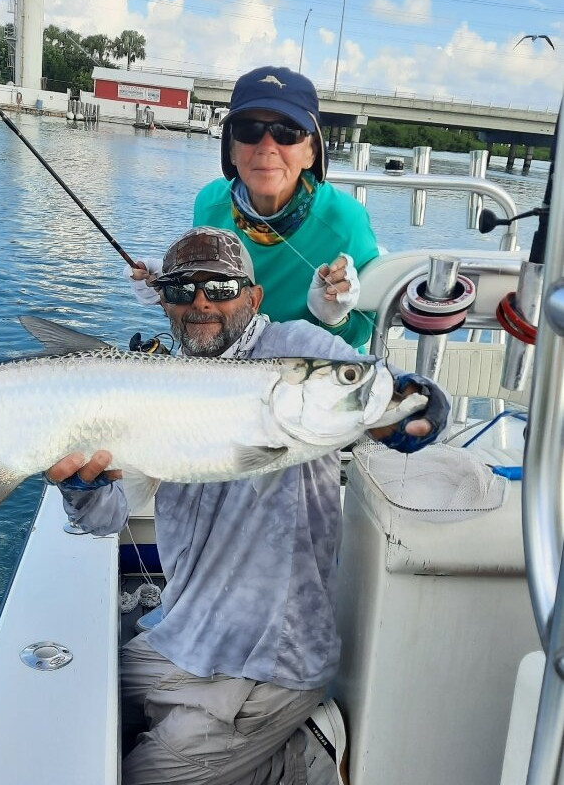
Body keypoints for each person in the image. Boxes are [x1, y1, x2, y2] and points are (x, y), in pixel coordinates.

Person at [47, 227, 450, 785]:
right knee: (65, 710)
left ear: (253, 297)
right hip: (180, 635)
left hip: (269, 663)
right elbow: (109, 518)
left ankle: (297, 759)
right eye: (182, 289)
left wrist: (420, 404)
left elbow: (383, 393)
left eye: (220, 286)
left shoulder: (298, 353)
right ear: (162, 299)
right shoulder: (158, 383)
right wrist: (83, 488)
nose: (201, 302)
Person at [126, 66, 380, 349]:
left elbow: (364, 331)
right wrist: (167, 284)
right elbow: (206, 299)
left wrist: (333, 319)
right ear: (231, 149)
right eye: (250, 130)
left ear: (312, 151)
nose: (267, 146)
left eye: (288, 132)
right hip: (229, 360)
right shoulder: (209, 204)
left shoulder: (346, 222)